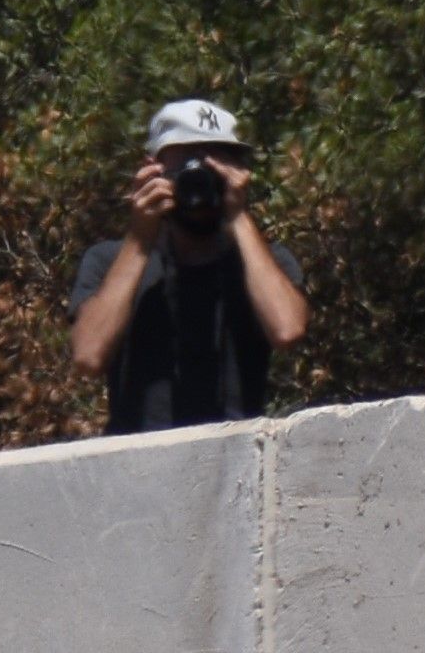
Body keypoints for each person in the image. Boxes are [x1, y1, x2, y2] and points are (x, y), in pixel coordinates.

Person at [69, 99, 309, 431]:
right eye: (187, 163)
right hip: (140, 466)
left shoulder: (263, 264)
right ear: (153, 168)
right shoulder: (111, 262)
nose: (199, 177)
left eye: (215, 160)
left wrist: (238, 214)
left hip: (234, 465)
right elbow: (88, 356)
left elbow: (288, 331)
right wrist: (140, 238)